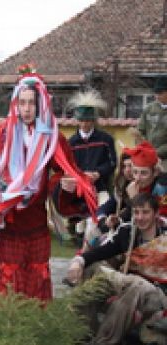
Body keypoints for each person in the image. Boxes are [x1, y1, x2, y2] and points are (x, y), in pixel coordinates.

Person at [0, 66, 97, 309]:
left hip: (36, 221)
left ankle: (35, 325)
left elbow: (65, 171)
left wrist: (64, 185)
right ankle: (2, 324)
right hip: (9, 220)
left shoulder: (52, 137)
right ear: (15, 104)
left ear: (41, 105)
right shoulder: (1, 134)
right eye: (22, 102)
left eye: (32, 103)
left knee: (38, 272)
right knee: (9, 274)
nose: (27, 108)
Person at [66, 193, 167, 345]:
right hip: (127, 285)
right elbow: (102, 251)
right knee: (92, 268)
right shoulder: (127, 232)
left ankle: (105, 341)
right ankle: (86, 330)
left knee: (138, 285)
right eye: (136, 212)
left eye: (145, 212)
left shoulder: (165, 235)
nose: (140, 217)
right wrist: (79, 261)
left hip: (156, 295)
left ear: (156, 214)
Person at [65, 90, 117, 246]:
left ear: (93, 120)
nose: (85, 124)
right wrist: (81, 176)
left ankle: (96, 247)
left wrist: (98, 173)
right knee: (81, 225)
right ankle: (82, 247)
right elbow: (68, 167)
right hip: (79, 191)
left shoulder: (105, 139)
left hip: (101, 188)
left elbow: (112, 162)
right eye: (82, 120)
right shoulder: (71, 143)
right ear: (77, 120)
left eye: (88, 120)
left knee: (98, 220)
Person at [138, 76, 167, 171]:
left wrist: (156, 153)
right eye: (156, 93)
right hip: (147, 157)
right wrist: (143, 147)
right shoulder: (149, 109)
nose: (157, 96)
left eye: (160, 93)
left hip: (164, 160)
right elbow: (140, 131)